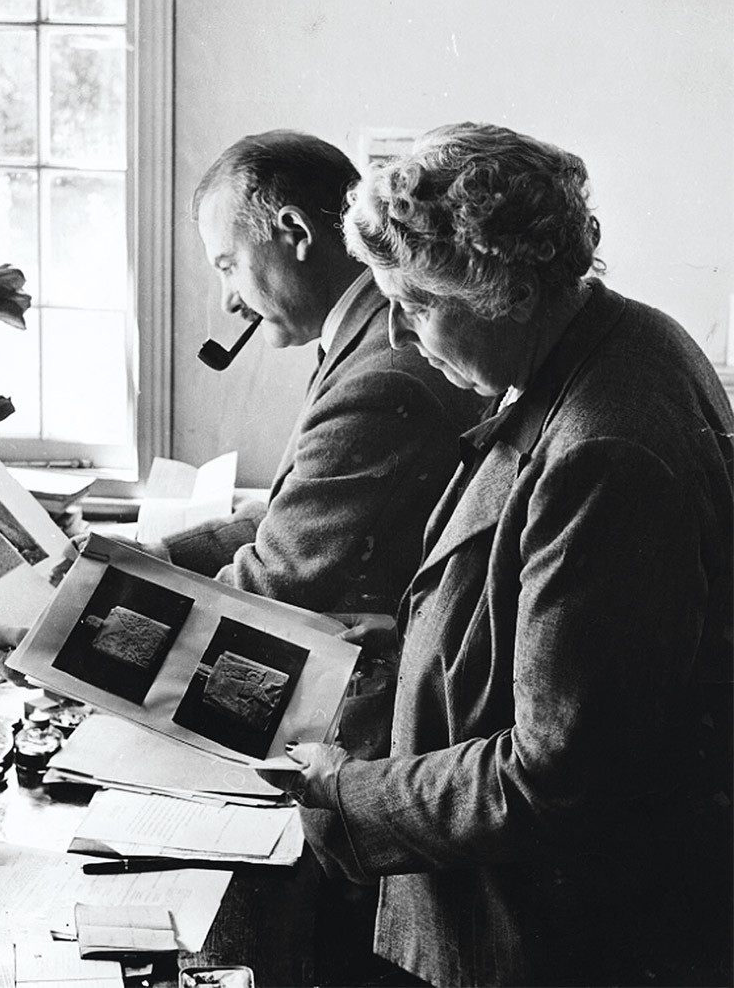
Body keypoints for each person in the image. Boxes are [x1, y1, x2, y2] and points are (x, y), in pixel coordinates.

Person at [266, 122, 734, 987]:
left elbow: (553, 772)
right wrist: (415, 643)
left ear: (510, 292)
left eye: (418, 305)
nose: (400, 334)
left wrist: (344, 793)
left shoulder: (604, 445)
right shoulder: (611, 343)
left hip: (558, 938)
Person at [154, 130, 481, 619]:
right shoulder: (360, 336)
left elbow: (277, 579)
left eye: (229, 266)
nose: (229, 301)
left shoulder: (380, 378)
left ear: (297, 233)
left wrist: (118, 593)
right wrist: (160, 556)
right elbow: (293, 513)